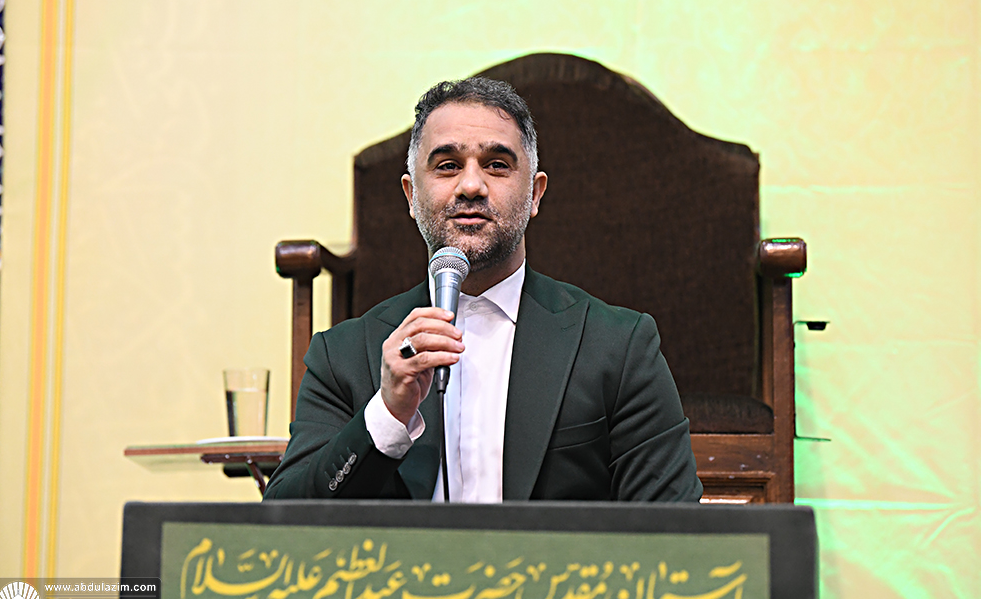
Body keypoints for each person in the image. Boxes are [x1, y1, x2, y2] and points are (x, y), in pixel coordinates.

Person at [264, 77, 702, 502]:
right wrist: (388, 414)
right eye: (447, 165)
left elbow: (675, 528)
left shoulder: (619, 348)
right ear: (411, 196)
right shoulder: (341, 357)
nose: (471, 186)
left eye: (496, 165)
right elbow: (287, 521)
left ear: (535, 194)